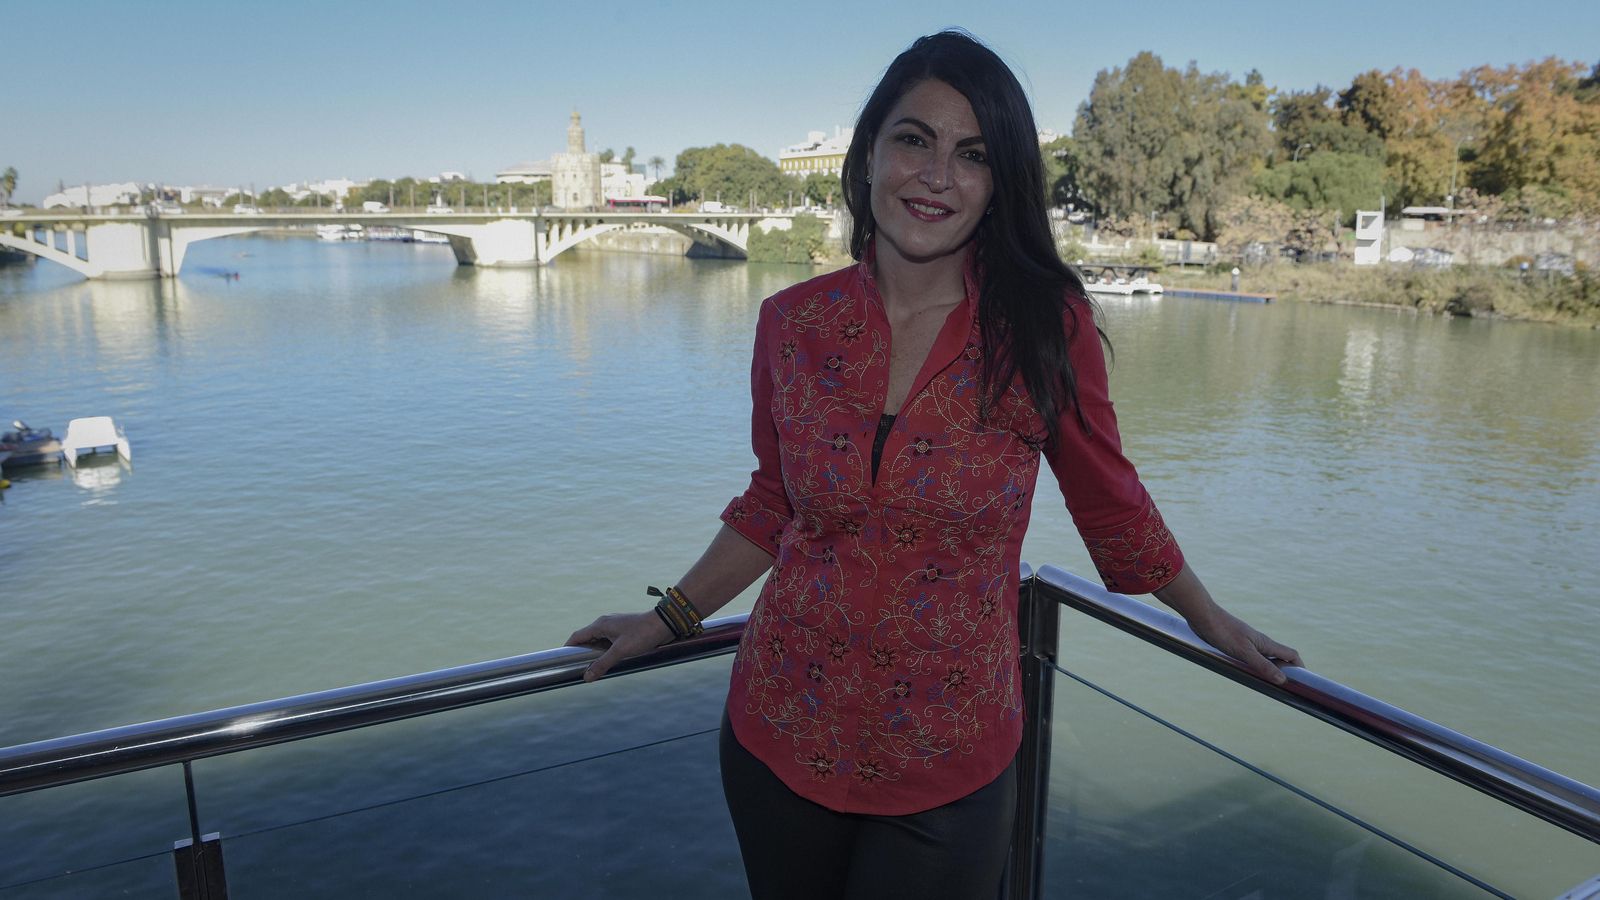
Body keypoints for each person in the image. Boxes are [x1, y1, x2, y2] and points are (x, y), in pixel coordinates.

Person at [567, 30, 1302, 900]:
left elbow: (1110, 500)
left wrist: (1207, 618)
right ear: (870, 151)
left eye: (973, 155)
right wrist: (672, 617)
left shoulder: (1042, 326)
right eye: (914, 139)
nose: (937, 176)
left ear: (999, 185)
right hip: (779, 726)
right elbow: (774, 500)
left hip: (948, 757)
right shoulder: (792, 323)